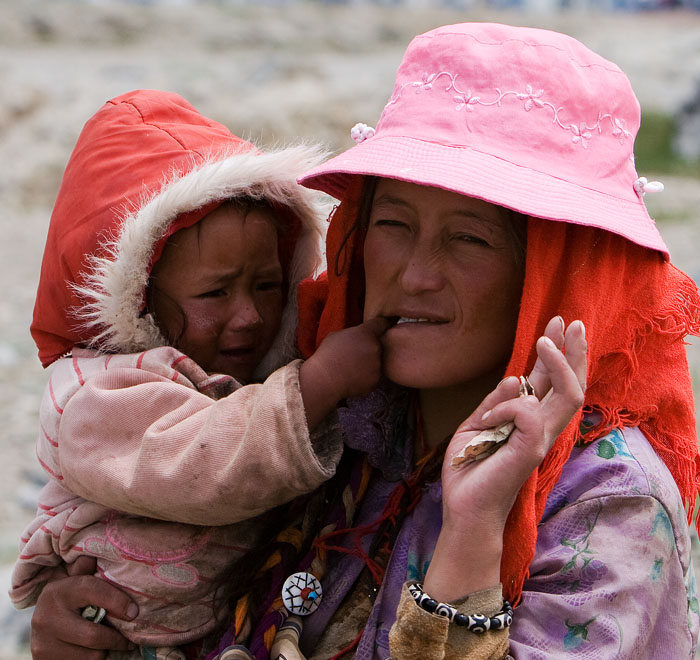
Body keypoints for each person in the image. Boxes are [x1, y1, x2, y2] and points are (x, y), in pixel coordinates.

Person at [28, 23, 700, 660]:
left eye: (468, 239)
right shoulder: (337, 417)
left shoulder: (605, 501)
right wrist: (85, 626)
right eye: (392, 223)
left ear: (552, 273)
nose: (412, 274)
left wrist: (471, 533)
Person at [9, 89, 389, 660]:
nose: (250, 316)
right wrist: (317, 386)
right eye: (215, 292)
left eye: (268, 285)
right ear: (138, 298)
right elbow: (201, 463)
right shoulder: (96, 397)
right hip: (120, 630)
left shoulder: (253, 375)